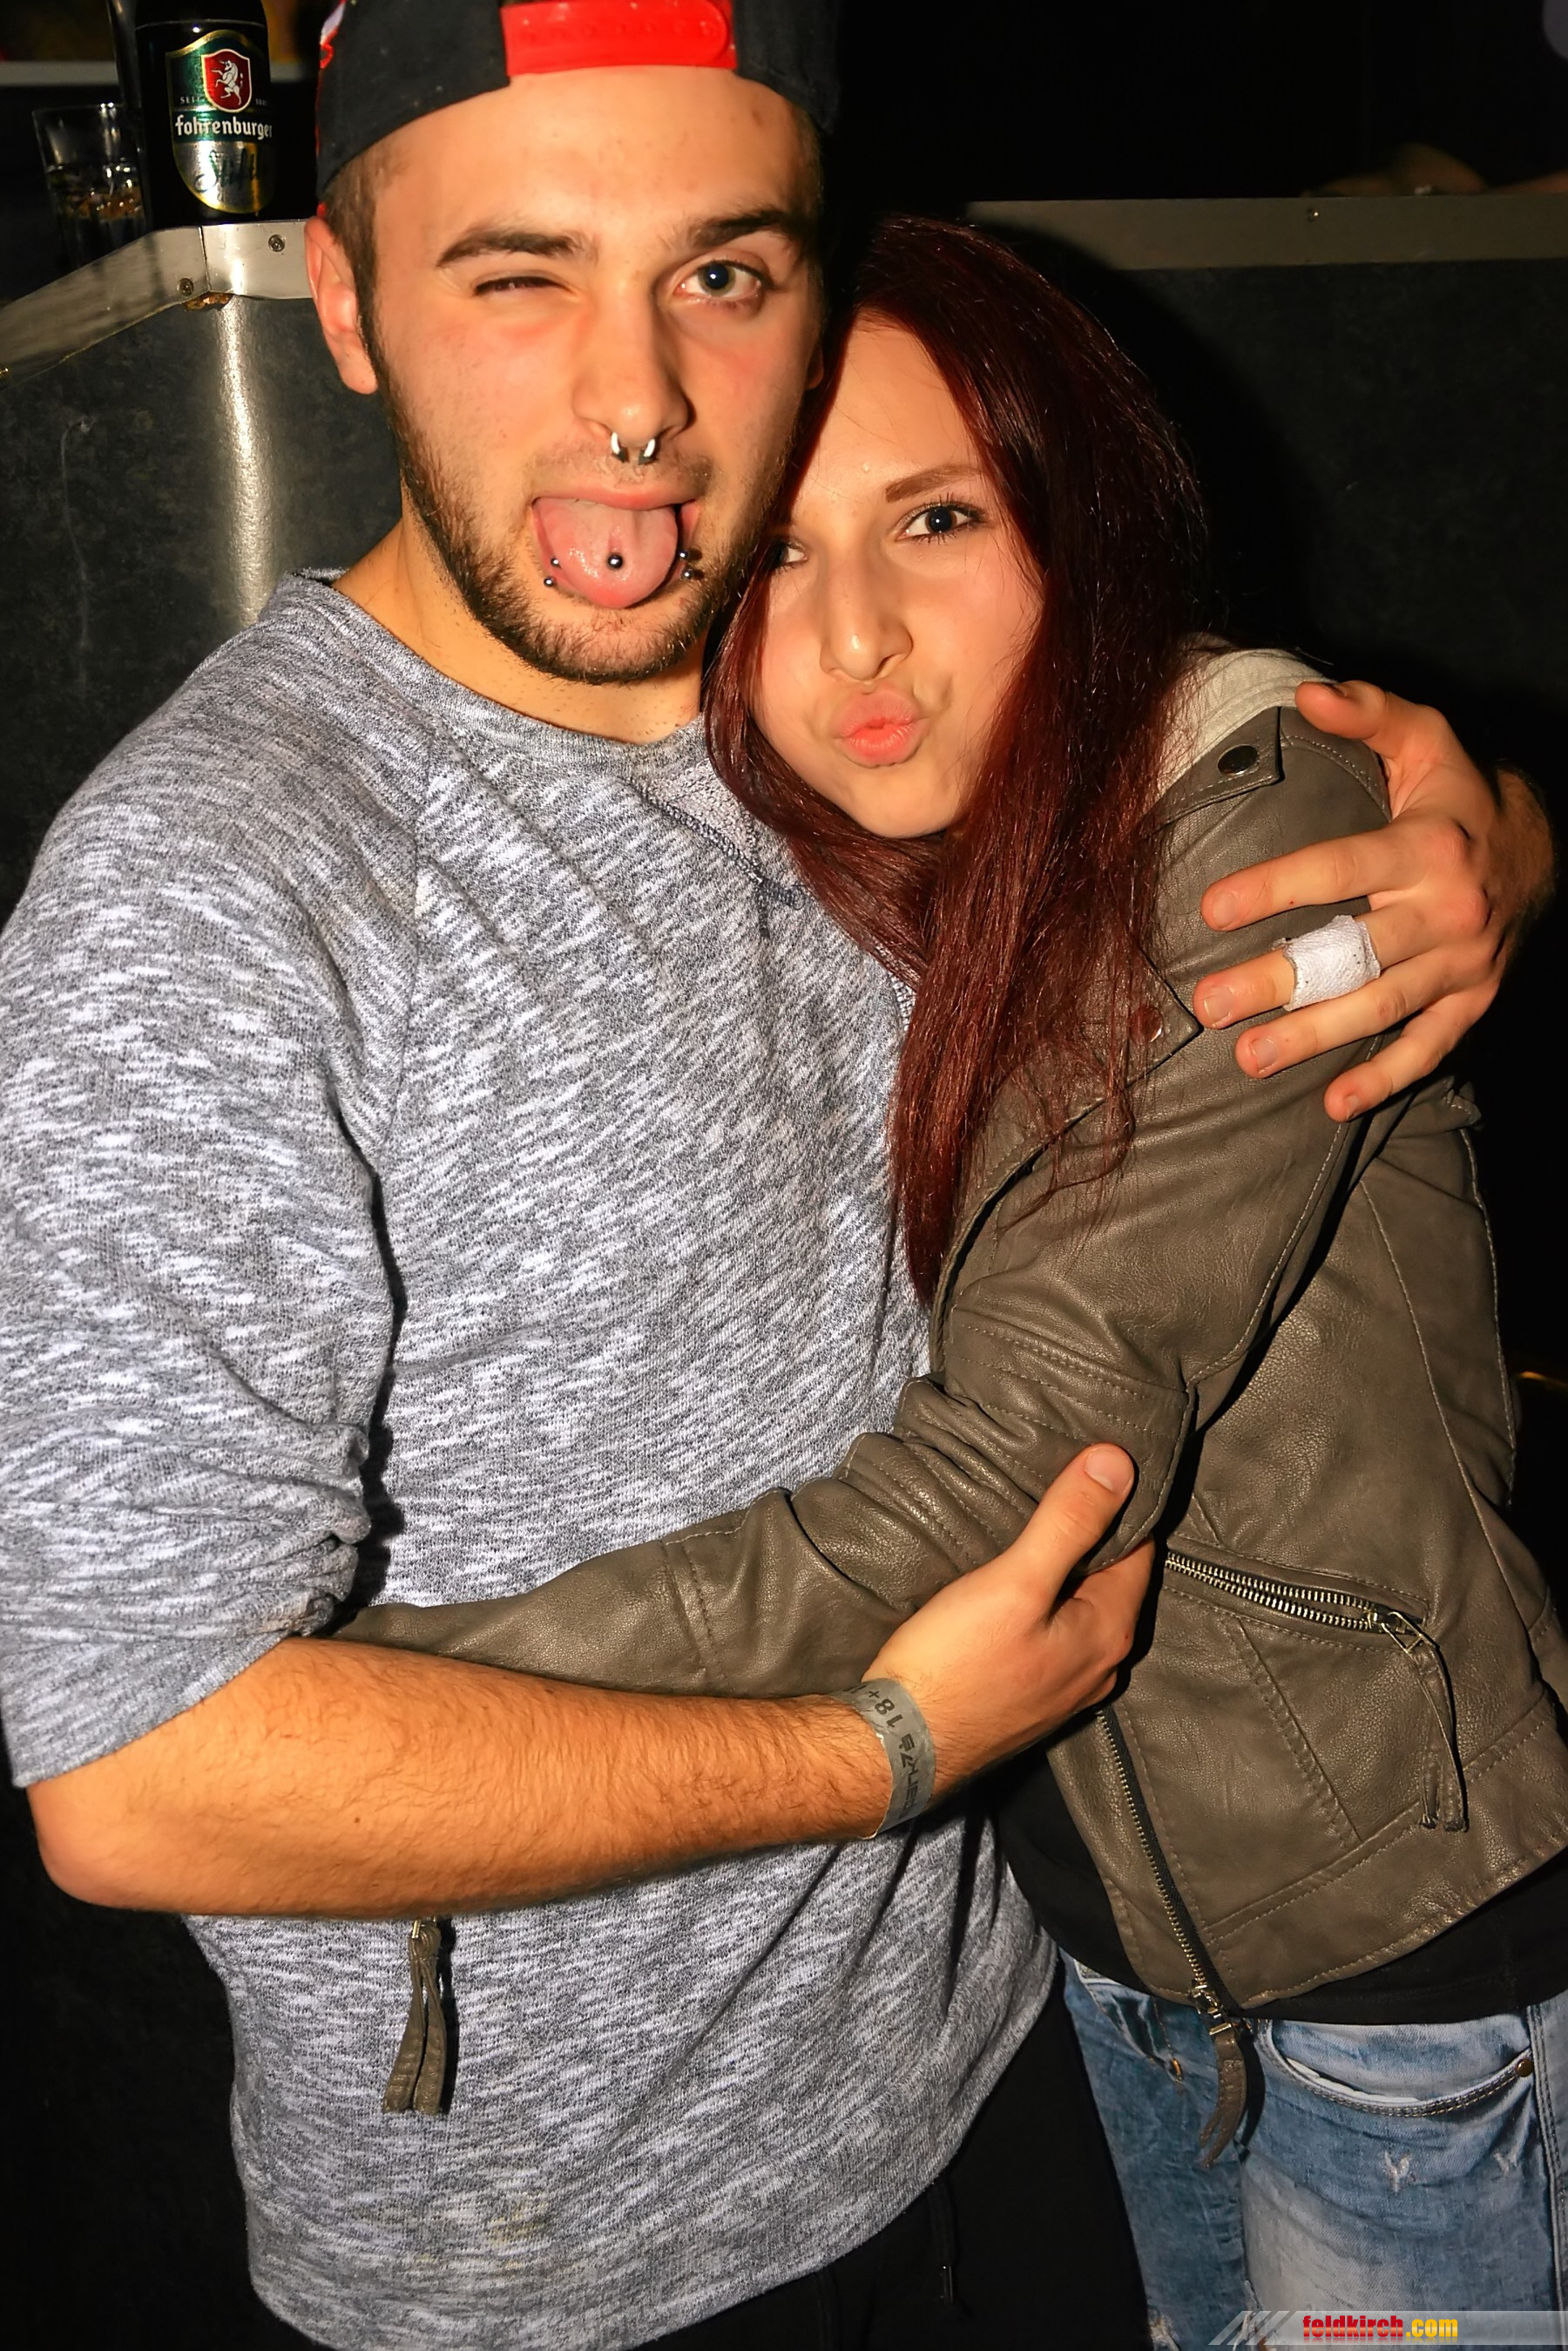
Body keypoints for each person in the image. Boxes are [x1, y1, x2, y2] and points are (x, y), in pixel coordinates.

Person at [0, 4, 1550, 2345]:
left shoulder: (843, 740)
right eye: (519, 273)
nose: (637, 397)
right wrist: (873, 1750)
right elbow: (141, 1773)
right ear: (345, 298)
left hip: (1013, 2049)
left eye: (718, 273)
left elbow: (1211, 801)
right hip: (573, 2250)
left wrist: (1495, 840)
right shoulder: (214, 899)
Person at [342, 213, 1568, 2340]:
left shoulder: (1258, 843)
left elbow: (1018, 1463)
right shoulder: (925, 857)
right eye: (778, 553)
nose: (861, 638)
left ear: (1071, 519)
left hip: (1393, 1980)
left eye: (936, 519)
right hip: (1120, 1950)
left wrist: (397, 1697)